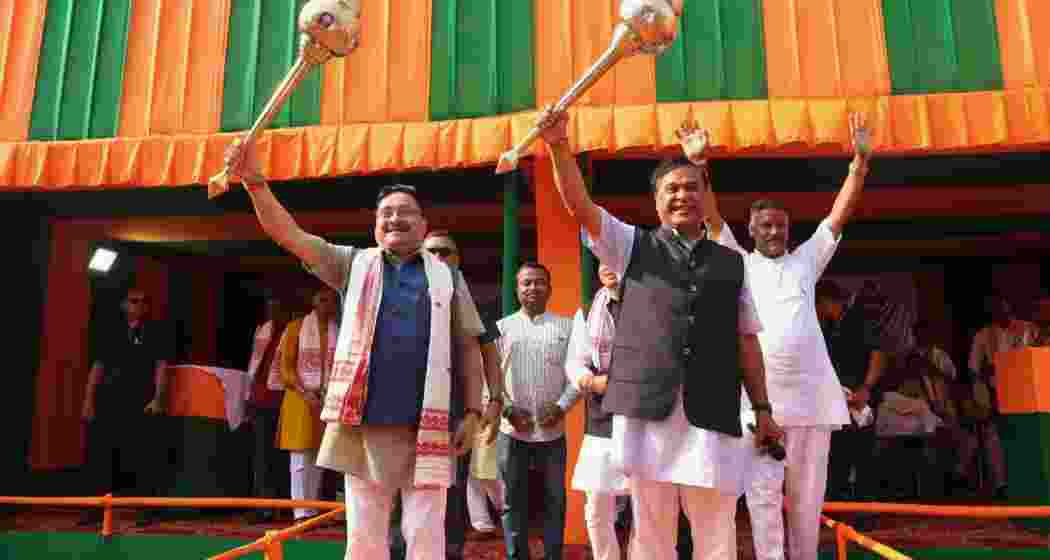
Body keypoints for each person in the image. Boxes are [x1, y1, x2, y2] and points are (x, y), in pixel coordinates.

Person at [534, 106, 780, 560]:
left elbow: (747, 339)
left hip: (713, 411)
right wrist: (558, 146)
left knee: (717, 533)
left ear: (706, 195)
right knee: (650, 534)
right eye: (672, 188)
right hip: (647, 413)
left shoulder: (732, 262)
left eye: (692, 187)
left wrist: (763, 408)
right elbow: (580, 208)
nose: (683, 195)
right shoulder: (632, 246)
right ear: (656, 201)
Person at [224, 140, 485, 560]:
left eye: (405, 212)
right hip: (363, 423)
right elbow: (290, 236)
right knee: (364, 536)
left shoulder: (448, 277)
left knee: (426, 534)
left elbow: (468, 346)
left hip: (430, 423)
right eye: (386, 213)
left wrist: (472, 412)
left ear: (423, 224)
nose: (395, 218)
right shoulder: (353, 264)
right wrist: (255, 184)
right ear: (375, 225)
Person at [699, 113, 877, 559]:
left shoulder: (805, 262)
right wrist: (699, 164)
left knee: (806, 505)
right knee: (762, 499)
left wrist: (859, 163)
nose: (775, 231)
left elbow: (838, 216)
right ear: (751, 230)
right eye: (765, 226)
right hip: (762, 409)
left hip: (812, 404)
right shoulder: (739, 263)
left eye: (780, 225)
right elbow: (711, 217)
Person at [390, 231, 504, 560]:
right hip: (401, 411)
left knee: (450, 491)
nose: (439, 257)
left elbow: (489, 352)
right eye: (432, 251)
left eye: (446, 252)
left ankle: (449, 553)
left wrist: (494, 401)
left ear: (457, 258)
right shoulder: (400, 291)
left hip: (455, 413)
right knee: (398, 489)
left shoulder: (469, 296)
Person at [496, 262, 580, 560]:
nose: (533, 287)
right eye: (526, 283)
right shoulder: (502, 328)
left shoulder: (567, 327)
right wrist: (508, 410)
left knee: (554, 501)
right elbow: (489, 377)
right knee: (511, 501)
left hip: (552, 432)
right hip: (512, 431)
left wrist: (561, 407)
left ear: (550, 288)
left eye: (539, 282)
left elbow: (579, 374)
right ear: (517, 289)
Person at [79, 288, 172, 527]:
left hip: (140, 403)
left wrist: (158, 398)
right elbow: (97, 367)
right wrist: (88, 401)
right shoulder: (109, 332)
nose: (139, 305)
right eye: (134, 301)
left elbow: (161, 367)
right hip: (109, 402)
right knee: (101, 458)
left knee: (142, 458)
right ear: (123, 305)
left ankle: (146, 510)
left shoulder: (155, 332)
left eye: (144, 301)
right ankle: (95, 509)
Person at [565, 263, 628, 560]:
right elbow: (574, 361)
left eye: (614, 257)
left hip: (644, 414)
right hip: (602, 416)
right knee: (597, 504)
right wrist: (589, 380)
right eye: (602, 259)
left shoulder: (650, 302)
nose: (608, 265)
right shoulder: (590, 308)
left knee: (649, 505)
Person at [274, 286, 340, 521]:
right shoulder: (295, 328)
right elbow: (285, 368)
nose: (326, 305)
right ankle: (301, 512)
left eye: (330, 301)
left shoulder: (338, 330)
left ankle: (311, 510)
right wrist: (305, 392)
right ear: (313, 301)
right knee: (300, 456)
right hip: (299, 397)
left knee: (320, 457)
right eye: (322, 299)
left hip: (327, 399)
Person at [963, 294, 1036, 498]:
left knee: (1025, 437)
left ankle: (1028, 481)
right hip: (994, 394)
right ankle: (1001, 485)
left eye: (1002, 307)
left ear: (1010, 307)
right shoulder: (983, 335)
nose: (999, 312)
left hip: (1026, 393)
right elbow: (974, 371)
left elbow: (1031, 360)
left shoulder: (1027, 329)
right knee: (993, 437)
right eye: (994, 309)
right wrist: (988, 391)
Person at [245, 294, 292, 523]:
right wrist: (248, 398)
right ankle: (264, 507)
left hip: (285, 400)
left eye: (277, 308)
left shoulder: (292, 332)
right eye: (270, 308)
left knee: (283, 458)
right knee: (261, 457)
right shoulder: (262, 331)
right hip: (260, 401)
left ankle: (284, 506)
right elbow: (254, 366)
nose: (273, 313)